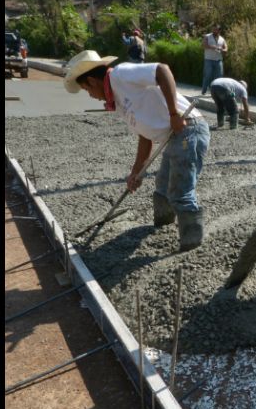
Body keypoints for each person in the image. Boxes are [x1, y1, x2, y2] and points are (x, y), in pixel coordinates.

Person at [63, 50, 210, 252]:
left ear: (91, 81)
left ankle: (191, 243)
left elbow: (162, 70)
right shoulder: (118, 100)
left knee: (180, 191)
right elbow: (145, 135)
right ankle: (163, 224)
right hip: (175, 135)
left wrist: (174, 113)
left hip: (188, 127)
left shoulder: (120, 75)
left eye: (87, 91)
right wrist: (136, 172)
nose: (91, 96)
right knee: (162, 187)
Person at [201, 24, 227, 95]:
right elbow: (203, 45)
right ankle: (204, 90)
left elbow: (226, 48)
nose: (214, 31)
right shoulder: (207, 36)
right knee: (208, 75)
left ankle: (216, 92)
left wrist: (222, 50)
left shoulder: (222, 39)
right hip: (208, 59)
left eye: (216, 29)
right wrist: (213, 47)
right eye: (213, 29)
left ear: (219, 30)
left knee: (219, 77)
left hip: (218, 60)